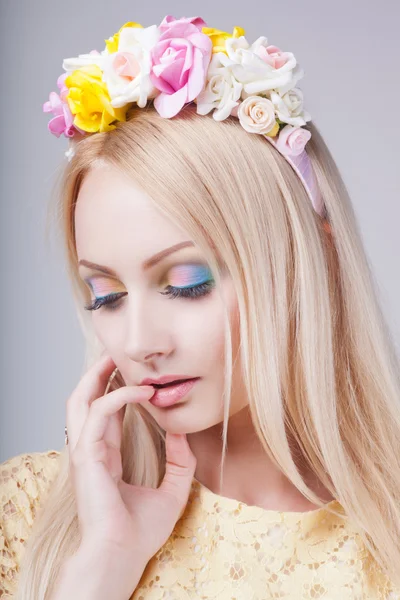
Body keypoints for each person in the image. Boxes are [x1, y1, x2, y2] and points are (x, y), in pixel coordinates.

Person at [1, 13, 400, 600]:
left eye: (187, 283)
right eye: (105, 296)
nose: (139, 342)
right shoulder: (24, 513)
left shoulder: (381, 554)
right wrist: (103, 564)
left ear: (308, 263)